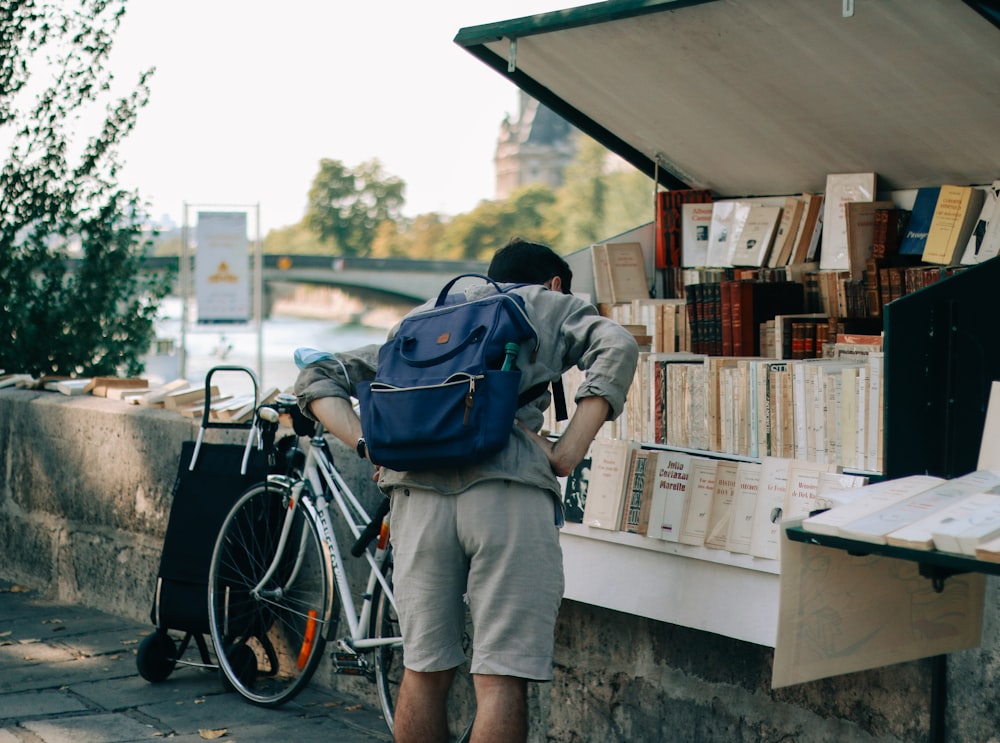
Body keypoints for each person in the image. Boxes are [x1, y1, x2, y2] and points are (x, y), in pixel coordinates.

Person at [294, 237, 638, 743]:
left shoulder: (419, 319)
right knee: (499, 677)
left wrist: (371, 444)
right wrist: (566, 451)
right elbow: (618, 345)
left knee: (423, 669)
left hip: (417, 505)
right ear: (556, 282)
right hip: (507, 496)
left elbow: (318, 374)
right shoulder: (547, 302)